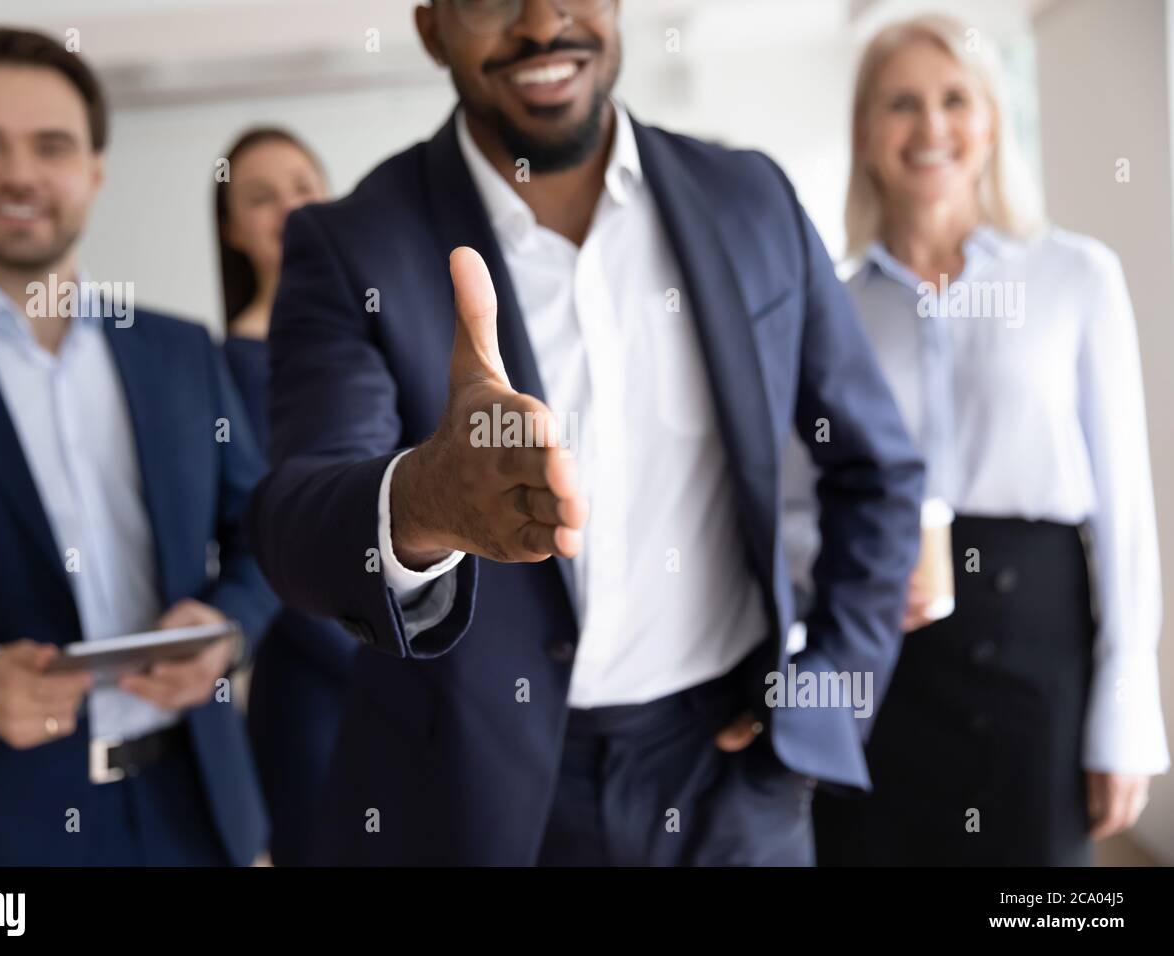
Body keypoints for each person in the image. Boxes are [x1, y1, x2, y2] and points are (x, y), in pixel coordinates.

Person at [247, 0, 924, 866]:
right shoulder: (352, 245)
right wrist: (423, 502)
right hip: (474, 798)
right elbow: (295, 522)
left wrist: (827, 695)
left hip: (733, 782)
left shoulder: (749, 196)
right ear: (431, 28)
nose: (542, 23)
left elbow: (877, 469)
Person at [0, 27, 277, 865]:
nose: (20, 174)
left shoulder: (181, 352)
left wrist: (227, 628)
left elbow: (265, 533)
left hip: (193, 815)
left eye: (51, 145)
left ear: (94, 169)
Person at [790, 14, 1168, 865]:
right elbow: (795, 502)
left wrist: (1126, 711)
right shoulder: (832, 309)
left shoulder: (1076, 278)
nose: (931, 126)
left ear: (992, 121)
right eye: (901, 103)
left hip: (1039, 653)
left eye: (955, 99)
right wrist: (835, 583)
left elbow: (1127, 514)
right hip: (879, 656)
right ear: (864, 133)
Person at [215, 127, 357, 865]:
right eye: (260, 198)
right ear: (232, 229)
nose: (290, 208)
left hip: (410, 672)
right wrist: (390, 668)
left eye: (303, 186)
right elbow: (265, 552)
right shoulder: (227, 368)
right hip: (317, 692)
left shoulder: (371, 337)